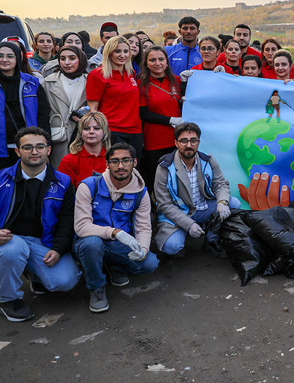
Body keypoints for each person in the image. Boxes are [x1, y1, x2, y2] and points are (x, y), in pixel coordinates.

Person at [0, 127, 80, 323]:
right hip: (10, 240)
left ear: (49, 150)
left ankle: (34, 274)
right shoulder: (2, 178)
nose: (34, 152)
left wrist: (59, 249)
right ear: (17, 151)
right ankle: (8, 299)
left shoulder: (63, 182)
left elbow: (67, 220)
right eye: (27, 147)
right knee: (11, 252)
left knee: (66, 281)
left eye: (39, 147)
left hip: (43, 242)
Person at [73, 142, 159, 313]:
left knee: (149, 263)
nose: (120, 166)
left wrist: (142, 248)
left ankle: (114, 266)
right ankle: (96, 287)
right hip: (89, 241)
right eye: (115, 161)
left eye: (126, 160)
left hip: (118, 244)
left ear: (134, 162)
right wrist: (115, 232)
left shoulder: (141, 193)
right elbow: (81, 227)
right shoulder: (89, 186)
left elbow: (143, 226)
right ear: (107, 164)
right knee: (92, 244)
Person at [154, 122, 240, 257]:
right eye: (184, 141)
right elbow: (165, 205)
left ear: (198, 142)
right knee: (172, 247)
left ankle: (211, 239)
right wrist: (189, 225)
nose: (189, 145)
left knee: (233, 203)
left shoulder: (208, 160)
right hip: (178, 213)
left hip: (203, 208)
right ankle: (185, 233)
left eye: (193, 140)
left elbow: (221, 184)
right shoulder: (164, 167)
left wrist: (222, 202)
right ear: (176, 143)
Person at [86, 36, 142, 158]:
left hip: (135, 130)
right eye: (117, 51)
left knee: (134, 169)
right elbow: (93, 110)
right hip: (112, 130)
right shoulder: (97, 75)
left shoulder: (130, 72)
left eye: (126, 51)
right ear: (109, 52)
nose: (123, 55)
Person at [138, 47, 183, 194]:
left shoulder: (176, 81)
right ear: (146, 63)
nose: (157, 63)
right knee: (157, 180)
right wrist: (170, 120)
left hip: (177, 140)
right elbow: (143, 113)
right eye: (152, 60)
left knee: (177, 180)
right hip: (155, 141)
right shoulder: (142, 84)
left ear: (167, 62)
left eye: (161, 59)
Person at [0, 41, 50, 169]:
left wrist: (44, 144)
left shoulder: (32, 83)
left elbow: (43, 117)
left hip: (29, 148)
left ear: (18, 58)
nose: (4, 60)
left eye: (10, 56)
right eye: (1, 56)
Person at [42, 45, 88, 164]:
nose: (67, 62)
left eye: (72, 58)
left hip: (85, 137)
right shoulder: (48, 82)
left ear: (81, 59)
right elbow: (42, 114)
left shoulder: (91, 81)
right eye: (62, 59)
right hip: (58, 138)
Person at [57, 111, 109, 188]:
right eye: (86, 128)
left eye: (96, 128)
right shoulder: (69, 160)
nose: (91, 132)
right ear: (81, 132)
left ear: (104, 132)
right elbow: (63, 191)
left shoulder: (113, 159)